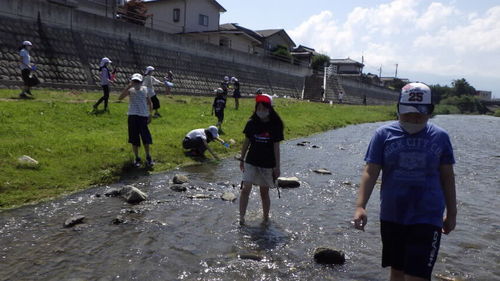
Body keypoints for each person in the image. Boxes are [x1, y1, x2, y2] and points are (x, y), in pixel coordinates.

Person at [353, 82, 457, 281]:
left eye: (419, 113)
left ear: (430, 111)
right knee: (397, 272)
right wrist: (360, 206)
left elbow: (447, 177)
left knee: (416, 276)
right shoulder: (383, 135)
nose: (413, 118)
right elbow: (370, 171)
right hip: (393, 215)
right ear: (398, 109)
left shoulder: (440, 137)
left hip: (428, 216)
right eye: (407, 113)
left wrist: (451, 214)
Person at [238, 94, 284, 224]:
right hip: (251, 160)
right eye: (259, 108)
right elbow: (246, 142)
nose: (261, 111)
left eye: (264, 109)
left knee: (264, 192)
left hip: (267, 163)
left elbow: (276, 147)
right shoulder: (251, 123)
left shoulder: (276, 125)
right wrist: (242, 159)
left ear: (270, 109)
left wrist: (277, 167)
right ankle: (241, 218)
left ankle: (265, 218)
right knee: (245, 188)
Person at [118, 73, 155, 167]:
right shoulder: (130, 90)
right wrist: (128, 86)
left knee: (145, 137)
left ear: (141, 82)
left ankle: (148, 157)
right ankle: (137, 158)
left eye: (138, 81)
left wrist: (150, 115)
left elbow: (150, 103)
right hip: (132, 115)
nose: (136, 83)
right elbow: (120, 98)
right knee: (134, 137)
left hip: (143, 116)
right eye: (134, 81)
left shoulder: (145, 89)